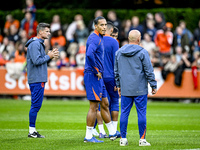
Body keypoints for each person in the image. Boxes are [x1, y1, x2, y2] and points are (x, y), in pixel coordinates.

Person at [114, 30, 157, 146]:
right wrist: (153, 85)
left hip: (125, 88)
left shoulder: (119, 52)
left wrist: (118, 85)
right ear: (139, 39)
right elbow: (149, 70)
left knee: (124, 113)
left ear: (129, 38)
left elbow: (116, 71)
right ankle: (142, 140)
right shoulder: (143, 52)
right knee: (141, 113)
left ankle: (123, 139)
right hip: (140, 88)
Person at [84, 16, 117, 143]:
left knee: (105, 103)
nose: (104, 27)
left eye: (105, 25)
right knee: (94, 107)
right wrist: (96, 70)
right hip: (93, 75)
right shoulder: (95, 38)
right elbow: (89, 54)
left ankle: (113, 132)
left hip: (99, 76)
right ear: (95, 26)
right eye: (101, 25)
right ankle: (88, 136)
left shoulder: (100, 38)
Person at [25, 23, 59, 138]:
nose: (49, 33)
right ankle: (32, 131)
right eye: (47, 31)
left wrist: (50, 56)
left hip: (37, 77)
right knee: (36, 105)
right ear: (40, 32)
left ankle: (32, 130)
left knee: (36, 105)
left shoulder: (36, 43)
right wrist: (49, 56)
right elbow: (36, 61)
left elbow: (40, 61)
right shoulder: (35, 44)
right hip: (36, 78)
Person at [103, 22, 120, 137]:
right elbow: (116, 62)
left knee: (100, 103)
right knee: (114, 101)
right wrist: (118, 81)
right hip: (110, 76)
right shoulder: (114, 42)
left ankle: (99, 130)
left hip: (98, 76)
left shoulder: (96, 40)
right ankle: (113, 130)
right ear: (111, 30)